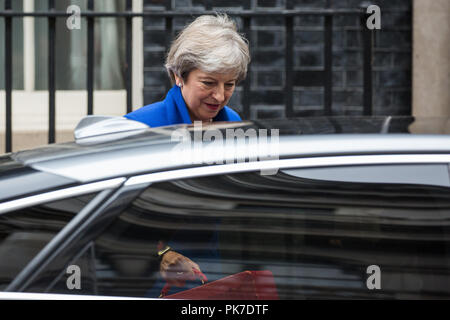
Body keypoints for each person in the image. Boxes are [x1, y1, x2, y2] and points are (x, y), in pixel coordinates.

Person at [124, 13, 250, 296]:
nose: (219, 96)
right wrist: (162, 253)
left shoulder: (232, 125)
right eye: (208, 83)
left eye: (228, 84)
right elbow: (114, 215)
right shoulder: (140, 128)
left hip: (210, 272)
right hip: (145, 277)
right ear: (179, 76)